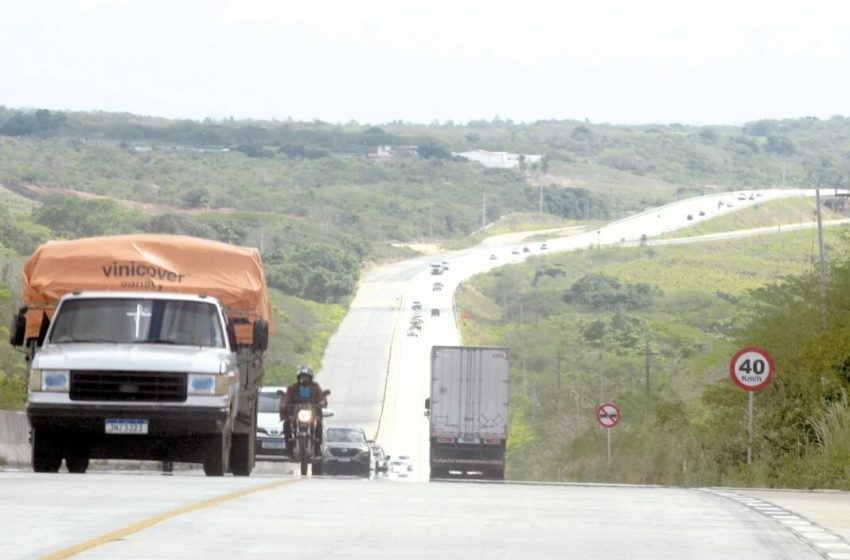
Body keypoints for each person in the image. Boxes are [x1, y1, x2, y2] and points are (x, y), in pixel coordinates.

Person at [280, 365, 328, 456]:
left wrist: (322, 402)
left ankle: (317, 447)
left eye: (306, 377)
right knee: (286, 424)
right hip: (296, 413)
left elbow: (321, 397)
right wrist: (284, 403)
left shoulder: (315, 387)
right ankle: (289, 448)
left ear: (310, 378)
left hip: (312, 413)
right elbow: (287, 397)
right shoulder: (293, 387)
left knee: (318, 424)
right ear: (299, 378)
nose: (304, 379)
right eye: (302, 377)